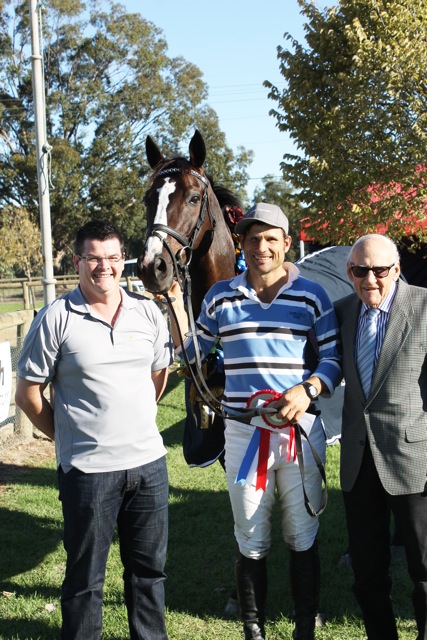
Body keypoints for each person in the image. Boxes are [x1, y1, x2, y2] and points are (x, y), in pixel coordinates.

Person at [165, 203, 341, 640]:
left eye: (269, 239)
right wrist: (172, 312)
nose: (260, 247)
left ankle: (304, 626)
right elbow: (192, 354)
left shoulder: (313, 295)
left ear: (286, 242)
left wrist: (309, 389)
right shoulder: (221, 297)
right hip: (244, 434)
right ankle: (253, 629)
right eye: (251, 239)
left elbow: (334, 360)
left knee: (302, 533)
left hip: (299, 434)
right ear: (240, 244)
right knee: (250, 536)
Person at [15, 220, 173, 640]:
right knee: (85, 580)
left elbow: (159, 374)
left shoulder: (147, 312)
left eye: (113, 258)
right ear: (78, 261)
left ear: (125, 261)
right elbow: (28, 394)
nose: (105, 267)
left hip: (149, 467)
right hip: (87, 472)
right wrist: (69, 435)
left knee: (149, 574)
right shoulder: (55, 318)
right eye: (94, 259)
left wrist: (133, 415)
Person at [334, 233, 427, 640]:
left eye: (380, 270)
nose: (370, 278)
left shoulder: (425, 306)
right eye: (360, 270)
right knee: (367, 574)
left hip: (414, 462)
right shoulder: (340, 312)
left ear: (397, 268)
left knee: (425, 571)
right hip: (358, 463)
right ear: (349, 271)